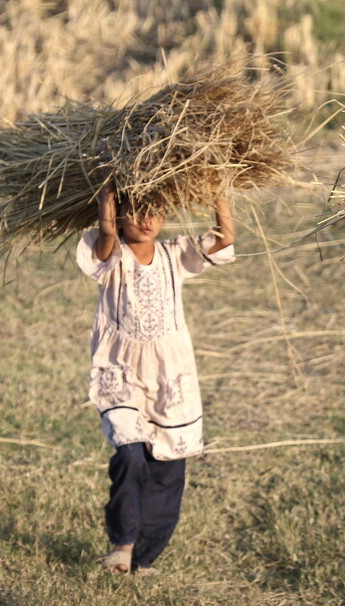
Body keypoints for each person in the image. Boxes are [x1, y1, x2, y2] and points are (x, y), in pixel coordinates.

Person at [77, 180, 235, 575]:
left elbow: (225, 237)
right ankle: (123, 543)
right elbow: (105, 240)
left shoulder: (175, 254)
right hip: (122, 371)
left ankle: (145, 558)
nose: (147, 220)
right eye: (137, 210)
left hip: (171, 374)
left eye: (156, 211)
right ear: (119, 213)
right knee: (130, 454)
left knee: (168, 466)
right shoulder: (109, 255)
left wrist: (218, 189)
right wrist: (106, 209)